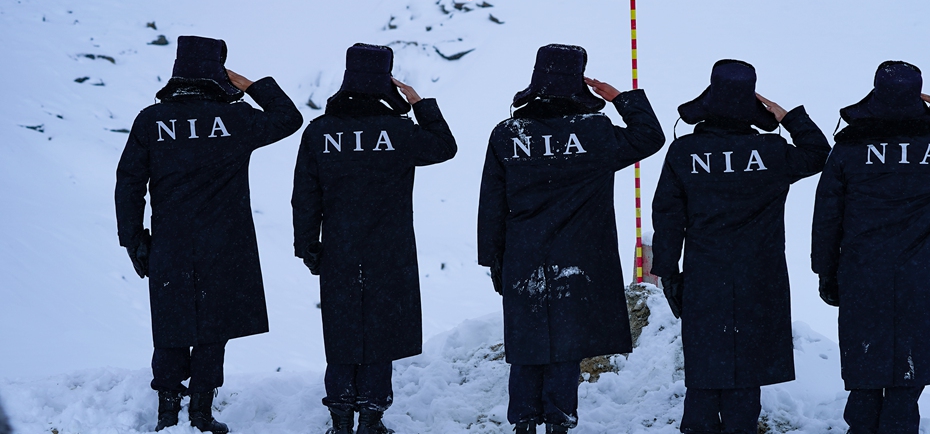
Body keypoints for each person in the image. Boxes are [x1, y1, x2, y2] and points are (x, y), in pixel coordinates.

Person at [115, 35, 303, 432]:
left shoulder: (151, 120)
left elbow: (129, 183)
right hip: (224, 243)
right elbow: (289, 118)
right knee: (213, 327)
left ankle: (168, 413)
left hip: (170, 242)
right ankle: (200, 413)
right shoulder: (236, 120)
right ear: (218, 74)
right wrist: (252, 86)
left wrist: (133, 239)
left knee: (171, 326)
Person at [477, 44, 665, 434]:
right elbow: (650, 137)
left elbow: (491, 204)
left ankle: (524, 422)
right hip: (579, 259)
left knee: (527, 344)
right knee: (566, 344)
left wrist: (494, 259)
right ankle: (558, 421)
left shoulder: (507, 134)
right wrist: (621, 99)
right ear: (580, 82)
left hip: (523, 255)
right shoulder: (596, 132)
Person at [811, 61, 930, 434]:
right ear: (919, 96)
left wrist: (826, 272)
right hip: (927, 276)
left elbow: (827, 217)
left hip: (864, 273)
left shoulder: (849, 149)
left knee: (866, 365)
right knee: (909, 368)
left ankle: (862, 427)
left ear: (874, 94)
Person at [650, 59, 831, 434]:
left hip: (704, 273)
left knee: (705, 362)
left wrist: (668, 273)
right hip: (760, 274)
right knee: (748, 366)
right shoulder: (773, 152)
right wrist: (789, 117)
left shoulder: (684, 152)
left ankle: (699, 427)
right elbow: (818, 152)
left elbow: (667, 216)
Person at [292, 43, 457, 434]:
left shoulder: (320, 132)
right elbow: (445, 147)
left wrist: (307, 245)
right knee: (381, 331)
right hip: (390, 248)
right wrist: (420, 104)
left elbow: (305, 195)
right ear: (387, 81)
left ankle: (340, 417)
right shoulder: (399, 131)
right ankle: (371, 416)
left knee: (342, 328)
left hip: (339, 245)